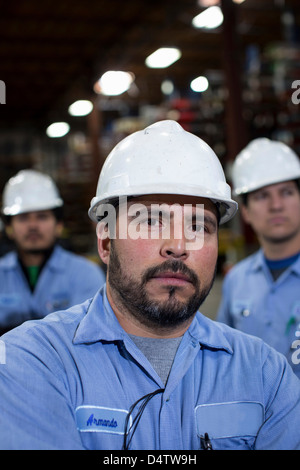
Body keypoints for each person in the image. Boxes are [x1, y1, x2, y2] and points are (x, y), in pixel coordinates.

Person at [0, 121, 299, 451]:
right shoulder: (31, 362)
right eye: (151, 221)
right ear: (105, 243)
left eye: (199, 225)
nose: (177, 244)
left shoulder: (266, 374)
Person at [217, 138, 300, 378]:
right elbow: (224, 360)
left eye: (286, 192)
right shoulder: (236, 281)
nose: (276, 206)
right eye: (262, 196)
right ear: (246, 211)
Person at [0, 169, 106, 335]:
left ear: (59, 225)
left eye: (42, 217)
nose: (33, 225)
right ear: (8, 228)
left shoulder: (86, 275)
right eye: (23, 218)